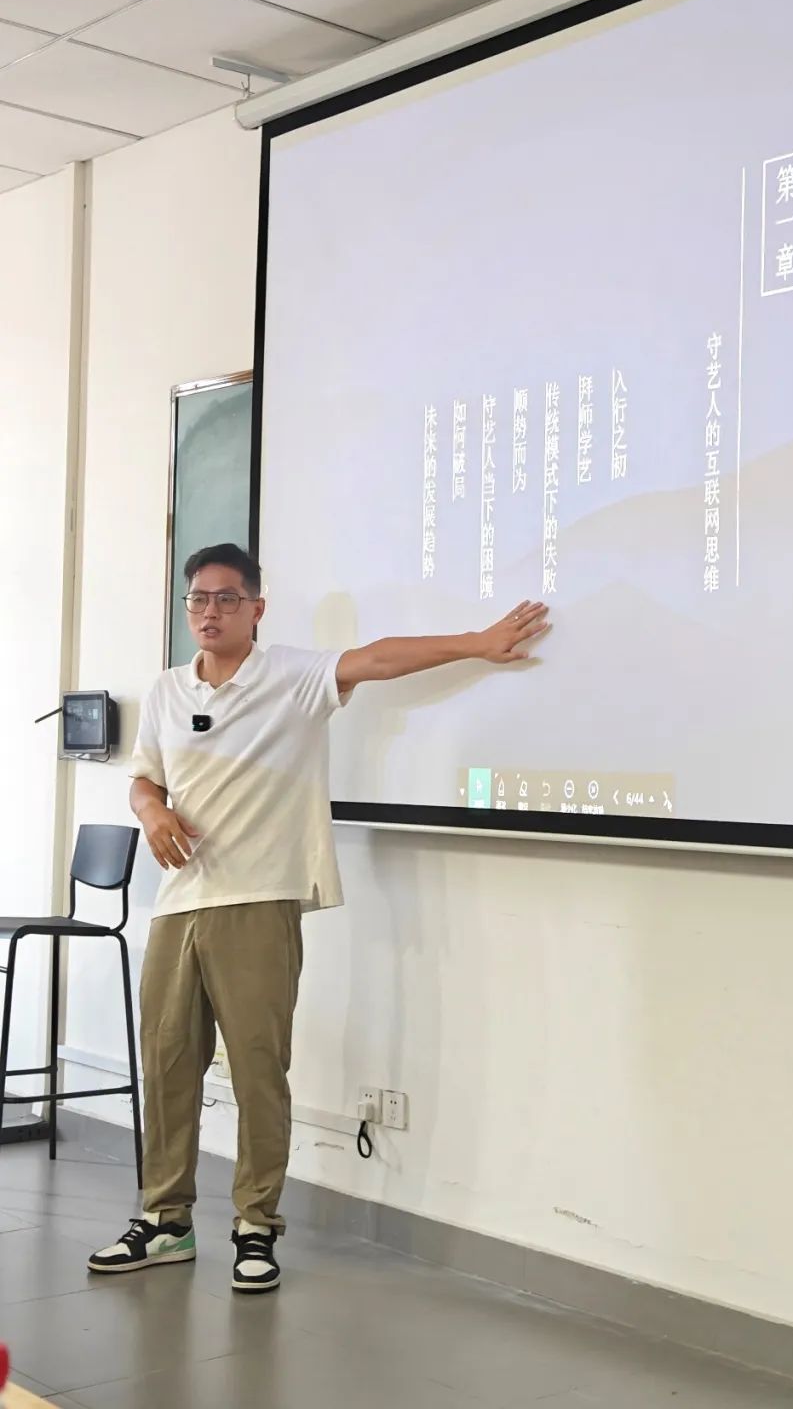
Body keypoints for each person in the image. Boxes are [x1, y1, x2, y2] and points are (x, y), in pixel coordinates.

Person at [87, 543, 549, 1292]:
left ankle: (256, 1226)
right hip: (179, 905)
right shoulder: (168, 689)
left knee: (258, 1070)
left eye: (227, 598)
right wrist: (153, 811)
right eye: (198, 599)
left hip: (259, 899)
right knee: (167, 1065)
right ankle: (165, 1221)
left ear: (257, 608)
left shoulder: (291, 678)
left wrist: (476, 642)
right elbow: (144, 779)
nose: (209, 611)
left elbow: (381, 658)